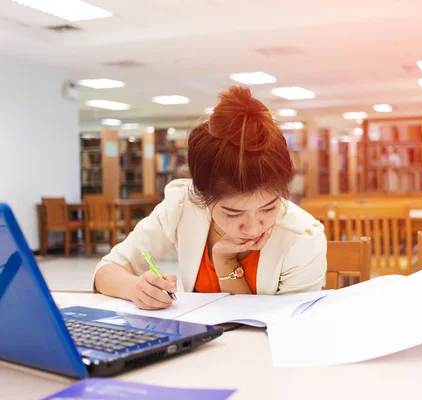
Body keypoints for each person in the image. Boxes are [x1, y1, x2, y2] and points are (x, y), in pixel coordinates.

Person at [93, 86, 327, 310]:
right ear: (203, 198)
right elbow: (107, 270)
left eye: (269, 208)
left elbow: (287, 326)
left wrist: (226, 262)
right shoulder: (182, 205)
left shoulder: (302, 237)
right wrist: (136, 288)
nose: (253, 227)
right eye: (233, 213)